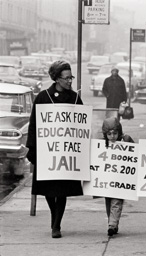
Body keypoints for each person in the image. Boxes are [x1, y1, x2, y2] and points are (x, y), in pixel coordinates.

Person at [26, 60, 83, 238]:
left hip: (67, 154)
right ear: (57, 79)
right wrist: (33, 148)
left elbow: (81, 125)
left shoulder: (74, 98)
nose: (69, 81)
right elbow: (34, 124)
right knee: (49, 191)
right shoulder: (43, 97)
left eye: (71, 77)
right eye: (66, 78)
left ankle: (56, 225)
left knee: (62, 190)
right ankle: (54, 216)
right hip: (47, 153)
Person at [101, 117, 134, 237]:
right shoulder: (102, 145)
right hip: (107, 179)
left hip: (121, 178)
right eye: (109, 134)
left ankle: (112, 224)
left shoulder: (126, 140)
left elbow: (134, 155)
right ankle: (112, 223)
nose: (112, 136)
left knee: (116, 202)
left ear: (119, 132)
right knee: (109, 202)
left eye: (115, 133)